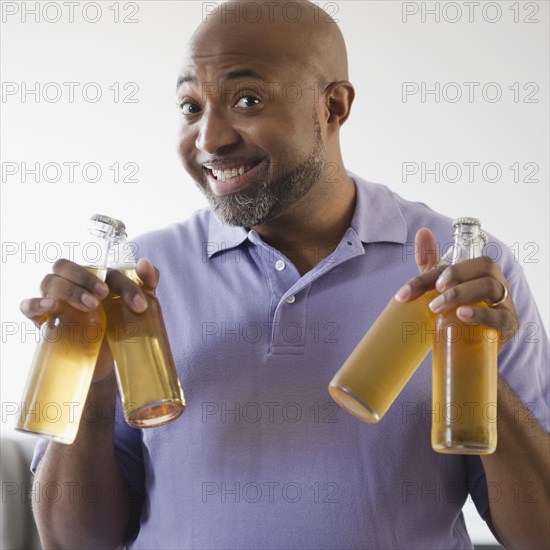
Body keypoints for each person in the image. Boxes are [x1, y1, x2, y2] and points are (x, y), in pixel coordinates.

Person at [24, 1, 548, 548]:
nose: (209, 139)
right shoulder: (135, 283)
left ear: (334, 106)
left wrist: (478, 371)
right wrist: (93, 388)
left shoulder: (466, 278)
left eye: (247, 100)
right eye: (190, 106)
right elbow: (71, 543)